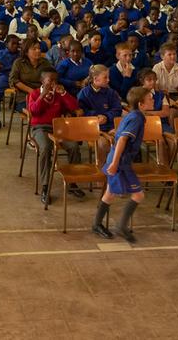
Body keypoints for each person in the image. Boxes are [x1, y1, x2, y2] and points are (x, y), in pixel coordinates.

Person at [94, 86, 149, 242]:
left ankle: (97, 224)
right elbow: (123, 140)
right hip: (121, 163)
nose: (153, 99)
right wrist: (115, 163)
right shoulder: (137, 118)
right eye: (149, 98)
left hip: (119, 161)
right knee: (138, 195)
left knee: (110, 193)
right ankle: (121, 226)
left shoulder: (134, 115)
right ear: (141, 104)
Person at [27, 70, 81, 206]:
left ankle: (73, 182)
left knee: (74, 146)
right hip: (40, 128)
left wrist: (63, 93)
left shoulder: (58, 95)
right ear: (42, 81)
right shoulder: (34, 94)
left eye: (55, 81)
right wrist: (43, 95)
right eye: (49, 80)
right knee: (45, 148)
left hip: (58, 128)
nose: (52, 83)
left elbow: (74, 107)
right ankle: (45, 186)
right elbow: (33, 111)